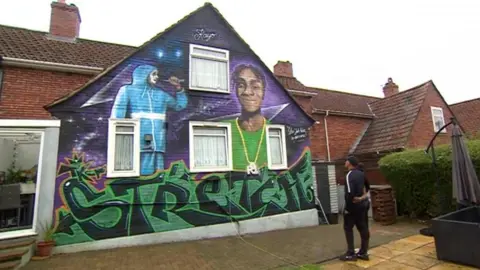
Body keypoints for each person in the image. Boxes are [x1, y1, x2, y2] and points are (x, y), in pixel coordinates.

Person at [111, 65, 188, 175]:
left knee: (159, 171)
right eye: (154, 74)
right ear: (144, 74)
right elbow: (117, 115)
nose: (156, 77)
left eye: (157, 74)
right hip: (142, 139)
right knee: (145, 167)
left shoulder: (161, 94)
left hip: (159, 141)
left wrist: (178, 88)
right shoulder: (128, 90)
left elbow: (179, 106)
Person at [228, 64, 269, 174]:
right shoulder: (224, 128)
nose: (247, 92)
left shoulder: (273, 128)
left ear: (263, 92)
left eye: (255, 86)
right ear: (236, 91)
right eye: (241, 85)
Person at [340, 156, 370, 261]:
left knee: (348, 228)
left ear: (349, 163)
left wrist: (348, 208)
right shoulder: (362, 174)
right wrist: (362, 198)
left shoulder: (349, 175)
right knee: (363, 227)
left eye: (346, 160)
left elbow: (349, 193)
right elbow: (368, 188)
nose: (345, 162)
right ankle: (363, 252)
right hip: (363, 206)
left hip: (352, 207)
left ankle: (350, 253)